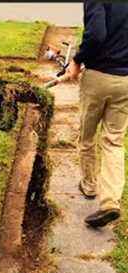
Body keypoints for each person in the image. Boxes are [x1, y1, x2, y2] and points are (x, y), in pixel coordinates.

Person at [67, 1, 128, 227]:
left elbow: (96, 34)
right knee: (113, 140)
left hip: (98, 78)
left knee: (87, 134)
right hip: (125, 80)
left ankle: (90, 185)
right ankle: (110, 202)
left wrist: (76, 59)